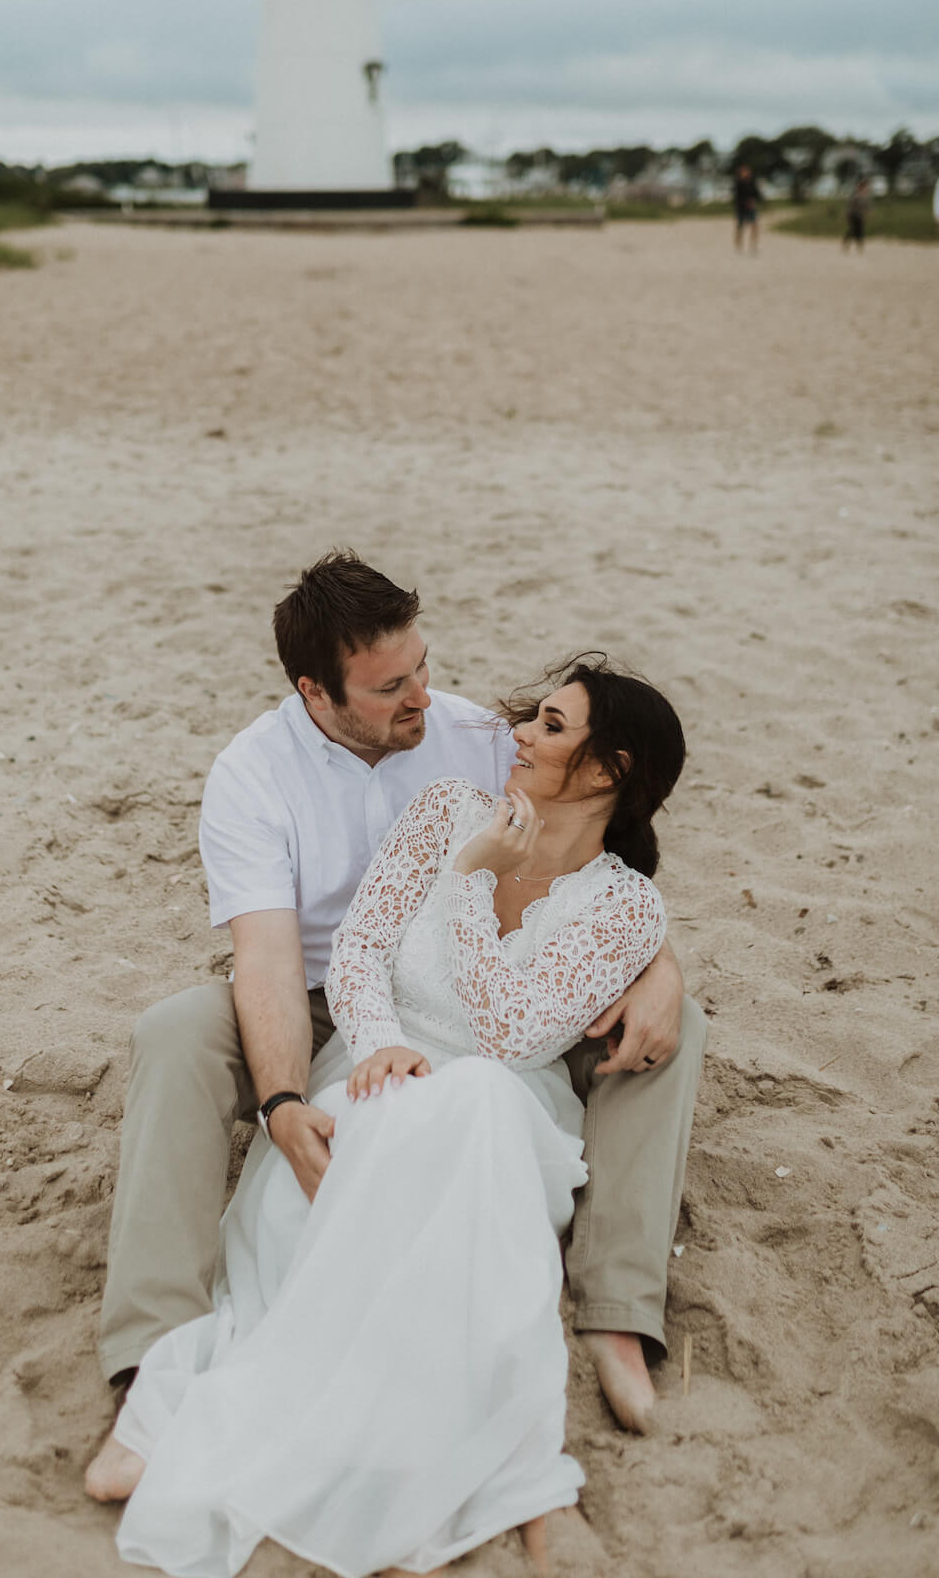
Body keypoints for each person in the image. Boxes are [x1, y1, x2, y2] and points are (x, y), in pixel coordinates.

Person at [86, 553, 705, 1501]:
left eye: (422, 665)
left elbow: (605, 844)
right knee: (174, 1032)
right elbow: (271, 958)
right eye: (390, 687)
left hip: (500, 1004)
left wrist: (660, 965)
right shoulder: (253, 776)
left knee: (677, 1025)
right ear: (316, 691)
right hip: (323, 987)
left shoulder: (466, 735)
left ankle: (618, 1307)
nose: (426, 696)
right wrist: (291, 1095)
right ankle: (153, 1351)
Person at [732, 163, 762, 254]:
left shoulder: (752, 182)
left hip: (751, 207)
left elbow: (757, 194)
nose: (746, 173)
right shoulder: (739, 183)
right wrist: (745, 203)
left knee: (754, 226)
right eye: (744, 171)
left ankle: (753, 245)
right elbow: (737, 197)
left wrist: (754, 201)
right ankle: (738, 245)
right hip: (741, 208)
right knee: (740, 227)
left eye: (747, 171)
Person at [843, 176, 871, 252]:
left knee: (860, 231)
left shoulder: (866, 195)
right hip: (853, 215)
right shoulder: (856, 194)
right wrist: (848, 215)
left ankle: (860, 246)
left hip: (860, 215)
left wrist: (867, 212)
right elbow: (850, 206)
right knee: (852, 230)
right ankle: (846, 244)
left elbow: (867, 206)